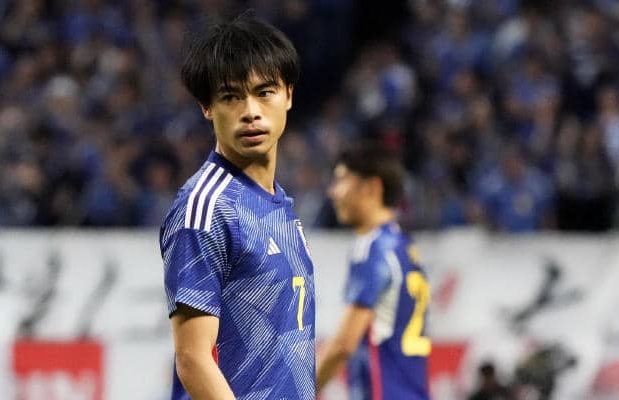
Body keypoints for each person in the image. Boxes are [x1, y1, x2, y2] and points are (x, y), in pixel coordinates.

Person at [159, 14, 315, 400]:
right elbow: (192, 358)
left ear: (288, 95)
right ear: (207, 107)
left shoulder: (278, 204)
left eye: (264, 92)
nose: (250, 111)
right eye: (231, 96)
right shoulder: (206, 207)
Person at [317, 144, 430, 399]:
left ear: (372, 187)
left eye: (342, 180)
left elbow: (343, 345)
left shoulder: (373, 248)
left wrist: (299, 390)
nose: (333, 191)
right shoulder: (405, 248)